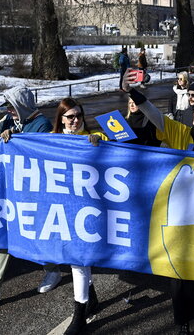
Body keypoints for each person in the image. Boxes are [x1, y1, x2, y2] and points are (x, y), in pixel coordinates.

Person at [121, 69, 194, 335]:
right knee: (178, 270)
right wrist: (132, 93)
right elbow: (153, 113)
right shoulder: (181, 133)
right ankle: (183, 320)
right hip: (180, 213)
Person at [0, 86, 54, 306]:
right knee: (6, 234)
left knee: (34, 234)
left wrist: (16, 139)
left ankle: (53, 270)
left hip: (34, 191)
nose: (9, 111)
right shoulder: (9, 120)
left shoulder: (42, 123)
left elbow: (38, 152)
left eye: (12, 107)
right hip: (11, 189)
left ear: (22, 105)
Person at [50, 98, 107, 335]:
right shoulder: (51, 141)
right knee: (75, 257)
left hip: (87, 209)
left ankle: (79, 314)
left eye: (79, 116)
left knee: (79, 259)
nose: (75, 120)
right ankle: (90, 297)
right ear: (61, 119)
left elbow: (114, 145)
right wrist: (10, 135)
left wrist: (98, 143)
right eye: (70, 117)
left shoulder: (93, 138)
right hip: (62, 207)